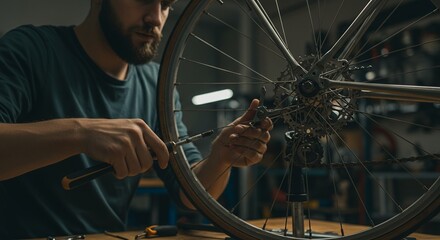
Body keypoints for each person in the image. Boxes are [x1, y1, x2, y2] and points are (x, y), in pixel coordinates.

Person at [0, 0, 272, 239]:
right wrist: (80, 134)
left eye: (166, 4)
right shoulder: (29, 51)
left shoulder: (158, 84)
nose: (155, 17)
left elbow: (189, 194)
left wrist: (221, 157)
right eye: (143, 0)